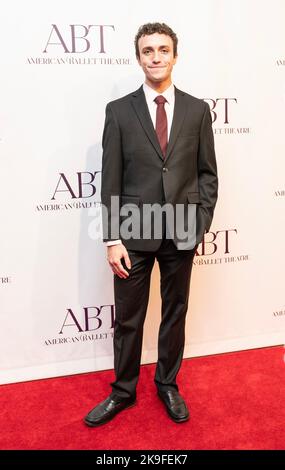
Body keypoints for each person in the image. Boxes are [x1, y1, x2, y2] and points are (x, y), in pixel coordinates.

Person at [84, 22, 218, 426]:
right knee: (128, 318)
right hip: (131, 233)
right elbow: (110, 179)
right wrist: (112, 237)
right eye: (148, 51)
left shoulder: (197, 110)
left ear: (175, 55)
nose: (156, 57)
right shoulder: (119, 111)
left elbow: (207, 174)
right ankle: (123, 391)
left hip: (181, 230)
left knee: (175, 312)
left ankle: (168, 385)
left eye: (163, 50)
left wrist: (199, 222)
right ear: (138, 57)